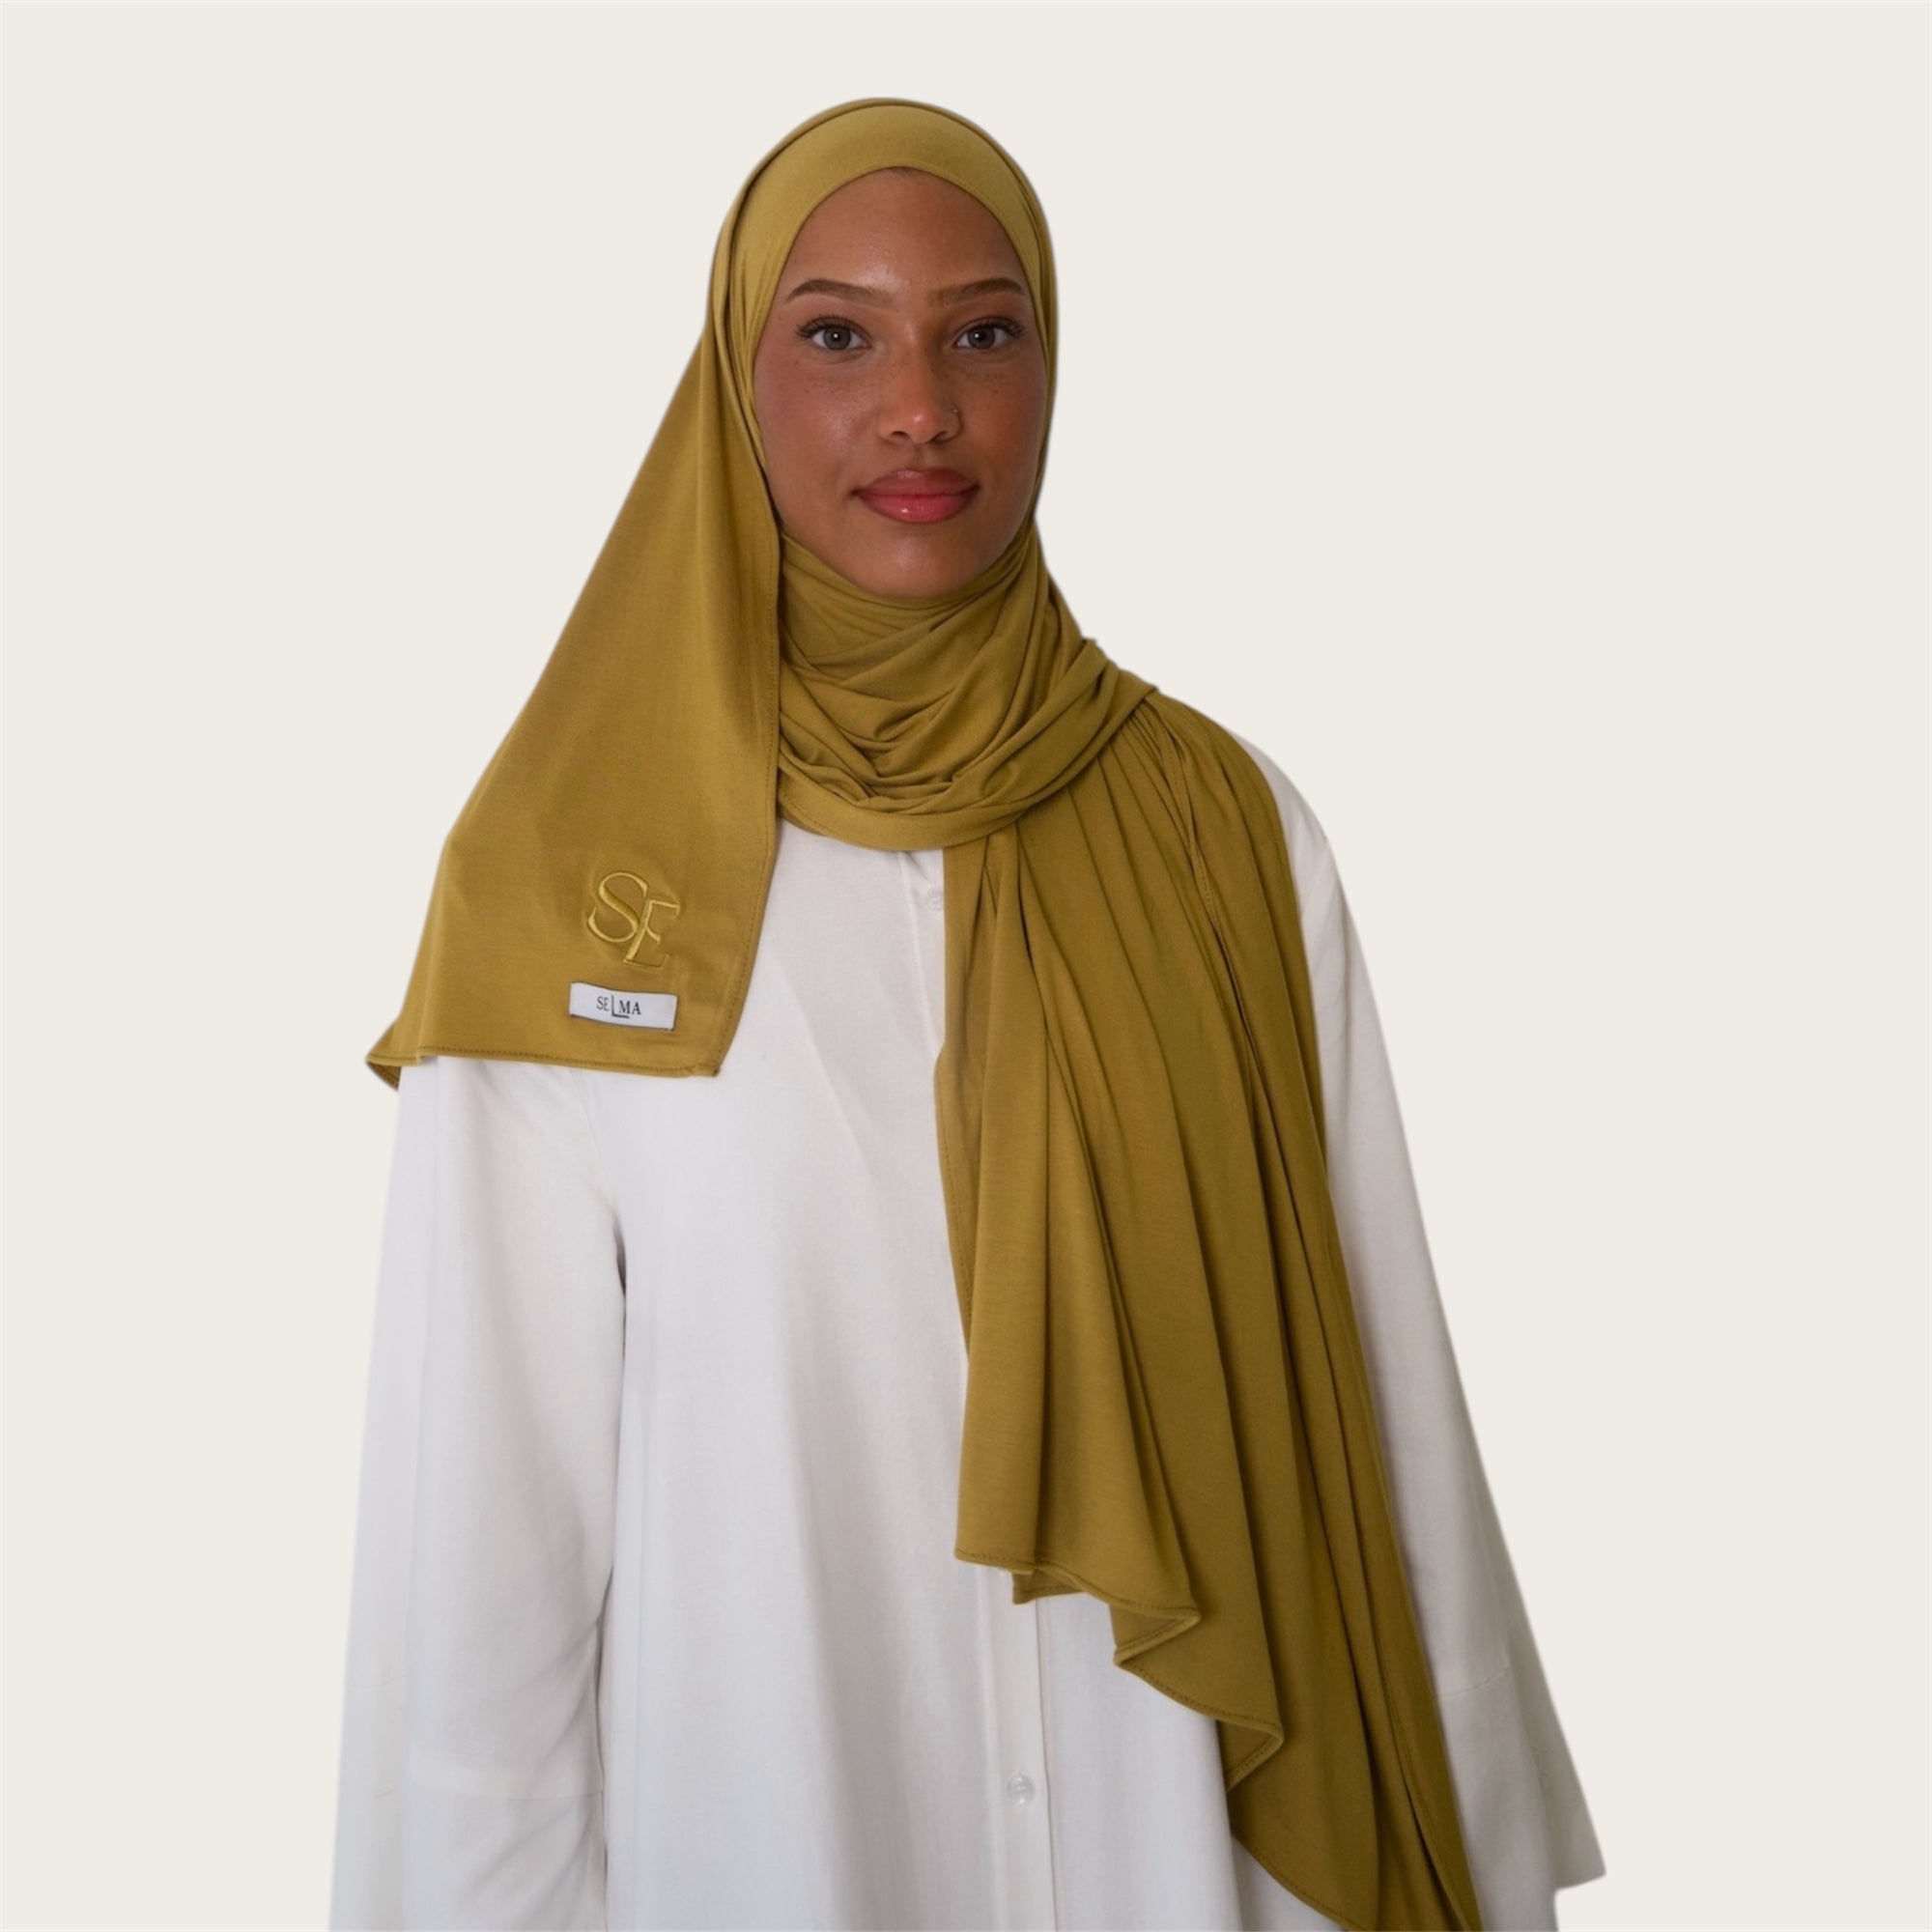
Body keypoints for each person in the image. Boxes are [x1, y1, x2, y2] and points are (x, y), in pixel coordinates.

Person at [327, 98, 1606, 1932]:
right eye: (837, 336)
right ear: (734, 381)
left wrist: (1473, 1861)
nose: (921, 408)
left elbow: (1386, 1416)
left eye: (983, 333)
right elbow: (482, 1574)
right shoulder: (567, 879)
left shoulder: (1227, 832)